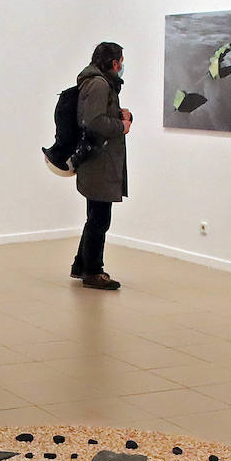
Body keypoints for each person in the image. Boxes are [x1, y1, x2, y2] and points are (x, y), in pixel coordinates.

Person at [71, 42, 131, 290]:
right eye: (121, 61)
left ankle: (81, 265)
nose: (123, 65)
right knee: (99, 219)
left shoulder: (99, 82)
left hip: (100, 160)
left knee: (95, 216)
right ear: (113, 63)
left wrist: (120, 114)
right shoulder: (98, 83)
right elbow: (94, 121)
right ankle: (93, 272)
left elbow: (98, 114)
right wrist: (121, 126)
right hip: (99, 161)